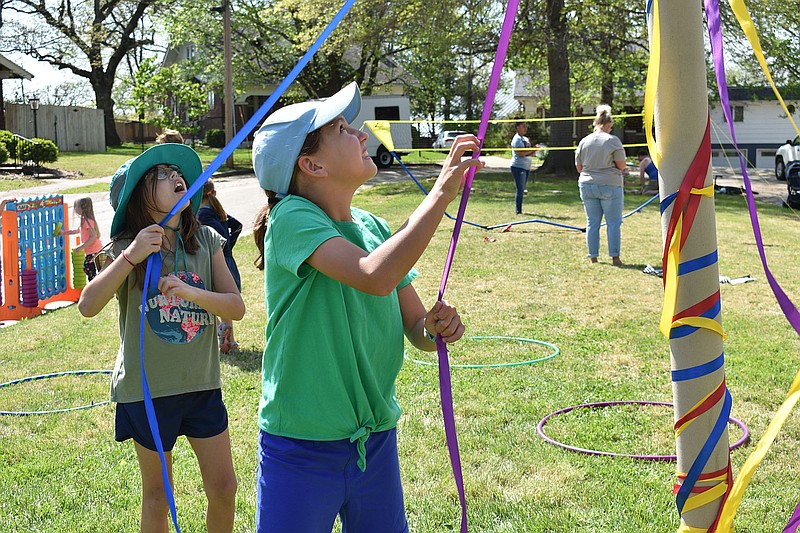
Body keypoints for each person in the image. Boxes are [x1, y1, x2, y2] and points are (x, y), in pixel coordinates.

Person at [250, 82, 478, 532]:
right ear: (311, 164)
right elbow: (375, 274)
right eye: (341, 129)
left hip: (373, 441)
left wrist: (435, 328)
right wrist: (439, 196)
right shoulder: (291, 218)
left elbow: (415, 326)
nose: (360, 134)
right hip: (301, 444)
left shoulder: (373, 225)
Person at [77, 143, 244, 532]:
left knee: (224, 486)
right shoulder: (125, 250)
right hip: (146, 393)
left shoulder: (204, 239)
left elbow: (235, 307)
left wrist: (192, 293)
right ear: (139, 199)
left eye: (177, 172)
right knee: (158, 496)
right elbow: (87, 305)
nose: (175, 176)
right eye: (161, 174)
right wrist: (131, 255)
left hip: (202, 387)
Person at [575, 104, 627, 267]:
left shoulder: (584, 141)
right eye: (611, 127)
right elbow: (621, 165)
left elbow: (579, 167)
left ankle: (593, 257)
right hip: (610, 184)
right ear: (607, 124)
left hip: (587, 184)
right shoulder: (613, 141)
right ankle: (615, 257)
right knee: (613, 223)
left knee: (592, 222)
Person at [198, 179, 243, 353]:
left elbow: (217, 233)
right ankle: (228, 338)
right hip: (227, 260)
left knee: (210, 301)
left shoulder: (203, 215)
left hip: (216, 262)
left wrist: (220, 247)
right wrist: (229, 246)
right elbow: (237, 226)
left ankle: (223, 336)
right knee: (224, 303)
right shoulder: (218, 212)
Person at [63, 197, 104, 280]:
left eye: (76, 206)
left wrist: (81, 247)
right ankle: (96, 286)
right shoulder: (84, 220)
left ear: (81, 208)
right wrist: (64, 233)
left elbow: (93, 237)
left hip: (94, 251)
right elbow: (78, 230)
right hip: (93, 251)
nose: (74, 208)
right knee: (90, 269)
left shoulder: (87, 221)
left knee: (89, 269)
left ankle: (95, 288)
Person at [510, 121, 534, 214]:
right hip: (518, 166)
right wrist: (532, 151)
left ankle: (519, 209)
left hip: (526, 166)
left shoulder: (525, 139)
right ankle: (518, 210)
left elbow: (527, 151)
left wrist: (534, 151)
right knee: (520, 189)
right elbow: (520, 153)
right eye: (523, 126)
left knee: (522, 188)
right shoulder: (517, 139)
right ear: (517, 127)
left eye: (526, 126)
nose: (525, 128)